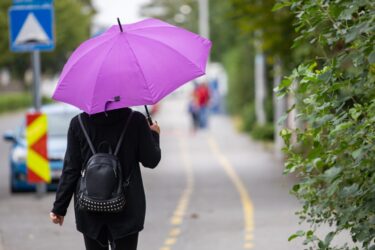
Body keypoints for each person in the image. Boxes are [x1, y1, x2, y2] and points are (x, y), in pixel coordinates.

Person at [49, 107, 161, 250]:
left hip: (90, 207)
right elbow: (151, 160)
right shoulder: (136, 120)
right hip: (127, 208)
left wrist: (59, 208)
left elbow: (71, 170)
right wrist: (154, 134)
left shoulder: (78, 123)